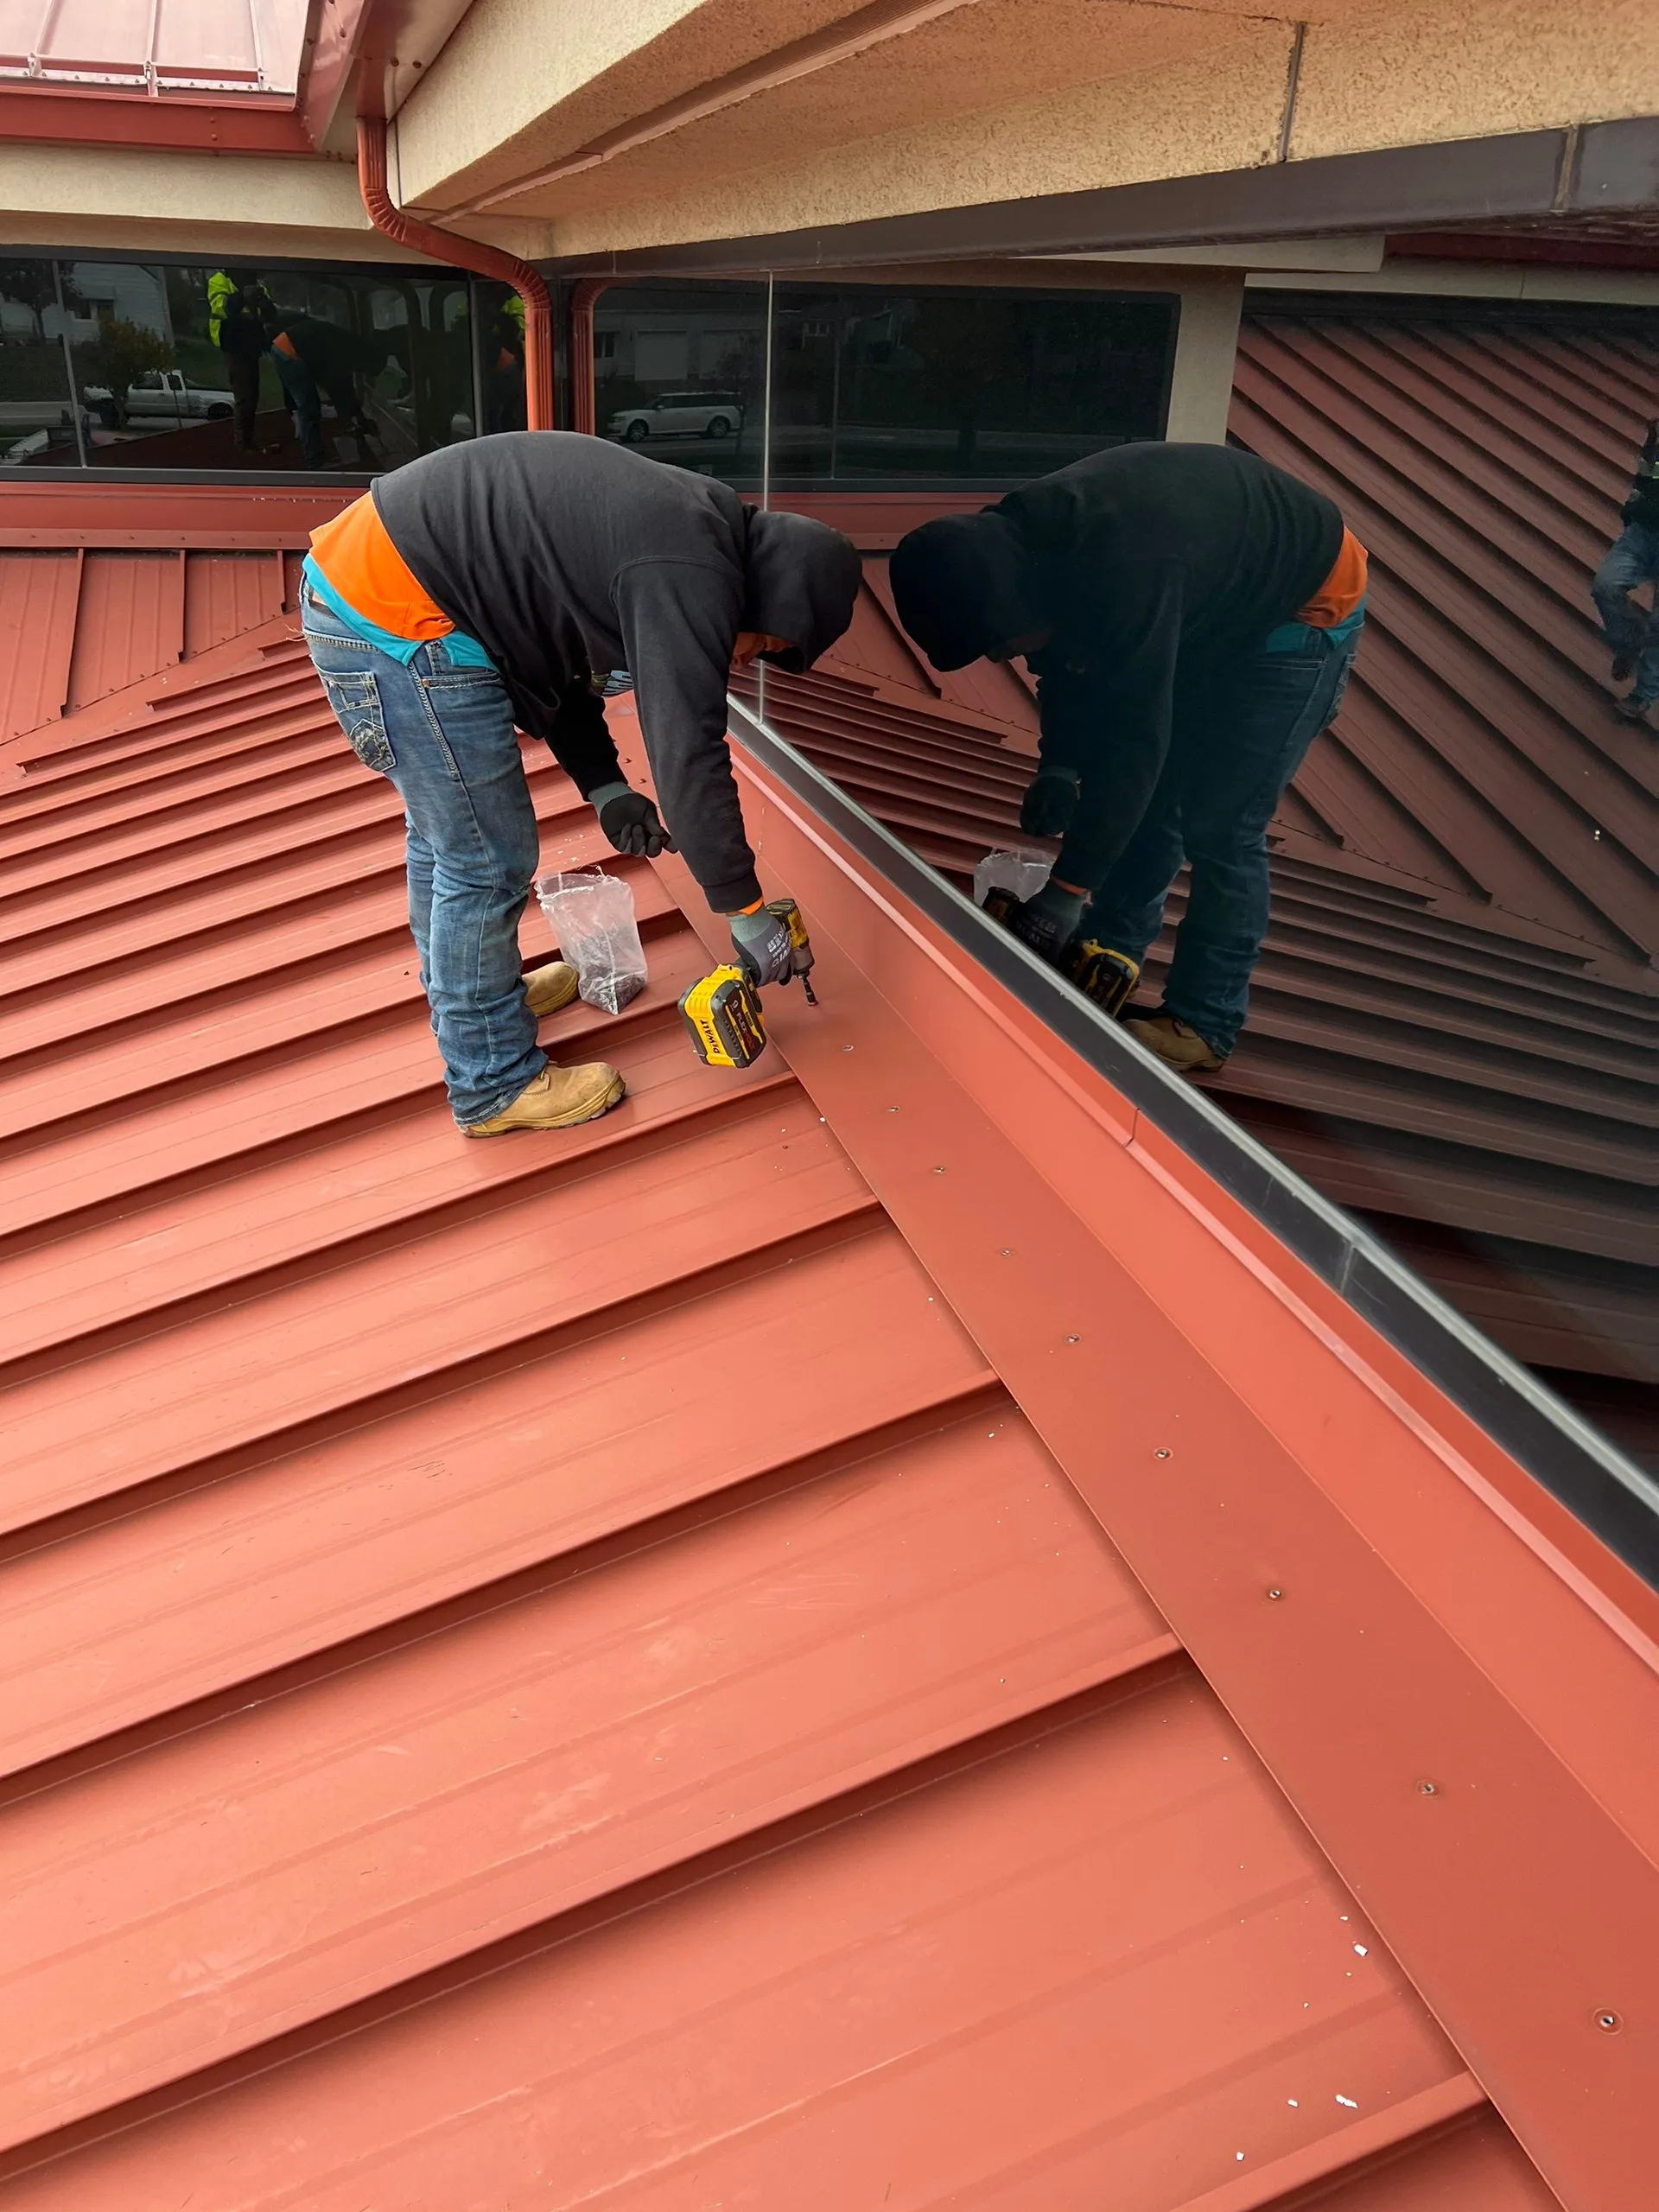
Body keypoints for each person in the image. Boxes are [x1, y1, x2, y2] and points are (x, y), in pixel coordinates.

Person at [301, 432, 860, 1135]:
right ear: (775, 597)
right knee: (485, 858)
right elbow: (688, 750)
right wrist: (743, 909)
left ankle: (480, 1001)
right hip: (401, 619)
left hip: (374, 588)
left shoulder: (691, 528)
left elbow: (555, 645)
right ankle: (491, 1081)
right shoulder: (688, 570)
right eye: (766, 644)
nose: (747, 661)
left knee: (449, 840)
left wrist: (604, 787)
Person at [888, 444, 1367, 1076]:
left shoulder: (1127, 568)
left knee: (1220, 824)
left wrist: (1066, 891)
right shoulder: (1025, 551)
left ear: (1015, 605)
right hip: (1210, 593)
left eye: (998, 641)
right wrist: (1060, 765)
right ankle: (1109, 953)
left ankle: (1205, 1022)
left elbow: (1138, 740)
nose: (1003, 657)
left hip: (1301, 610)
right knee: (1156, 799)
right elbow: (1068, 663)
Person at [1591, 417, 1659, 731]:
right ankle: (1629, 641)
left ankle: (1643, 695)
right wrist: (1632, 513)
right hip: (1643, 534)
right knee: (1605, 586)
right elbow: (1645, 476)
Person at [207, 268, 279, 453]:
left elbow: (271, 315)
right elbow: (224, 309)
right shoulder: (219, 280)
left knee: (252, 395)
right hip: (233, 345)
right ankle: (243, 444)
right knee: (244, 396)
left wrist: (263, 302)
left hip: (252, 346)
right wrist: (243, 296)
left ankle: (248, 441)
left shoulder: (257, 286)